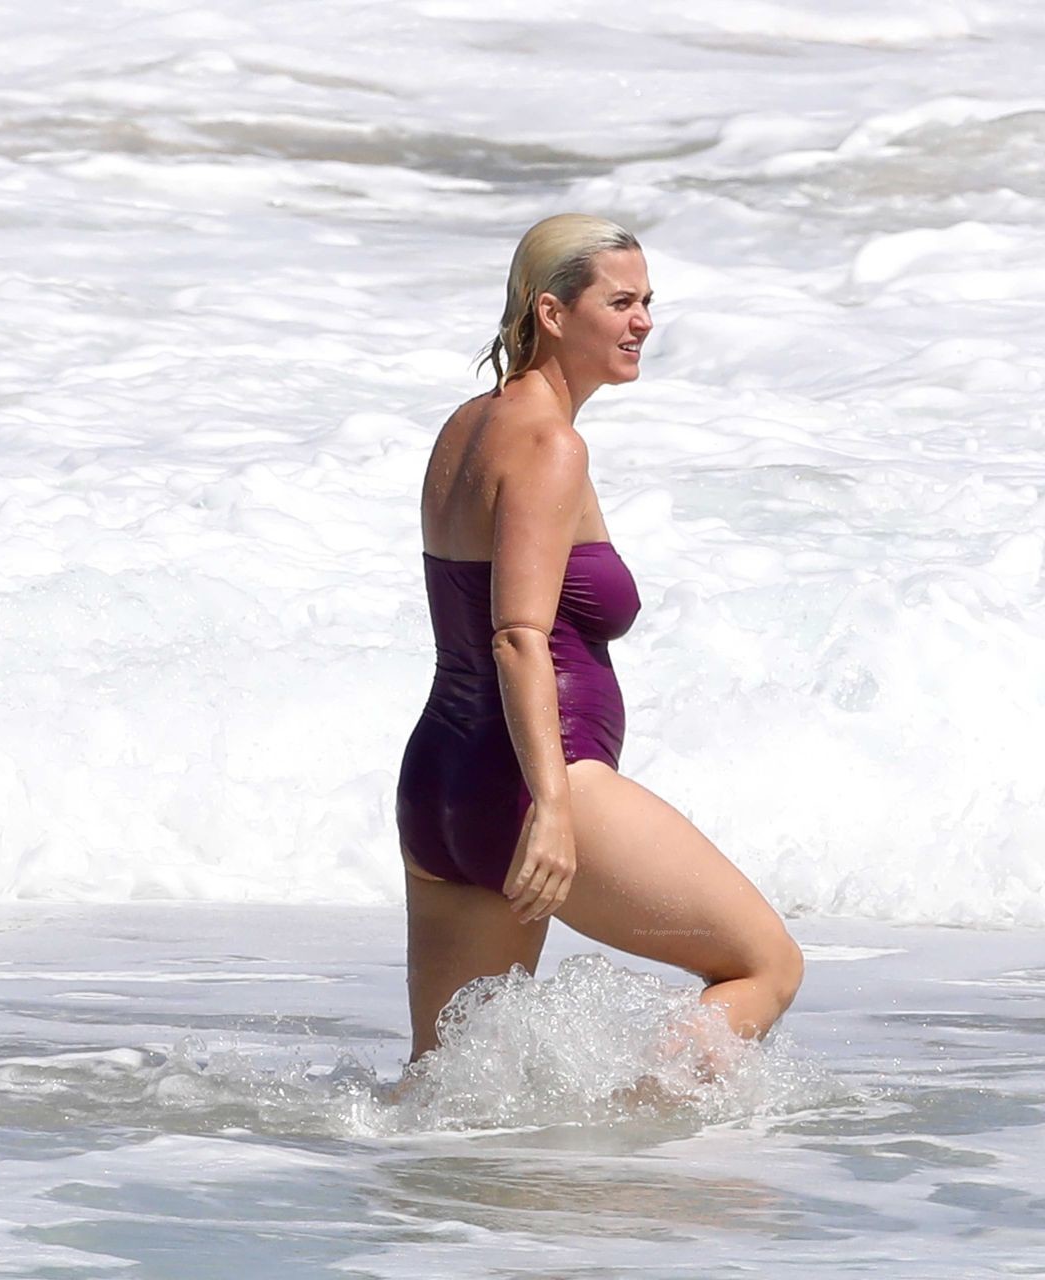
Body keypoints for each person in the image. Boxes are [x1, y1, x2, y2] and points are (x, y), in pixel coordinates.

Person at [392, 214, 804, 1083]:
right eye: (620, 303)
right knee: (766, 969)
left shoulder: (467, 427)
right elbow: (517, 636)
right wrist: (551, 805)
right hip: (534, 785)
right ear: (551, 312)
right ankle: (629, 1147)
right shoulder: (551, 445)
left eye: (647, 301)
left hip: (441, 788)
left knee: (449, 1088)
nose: (643, 321)